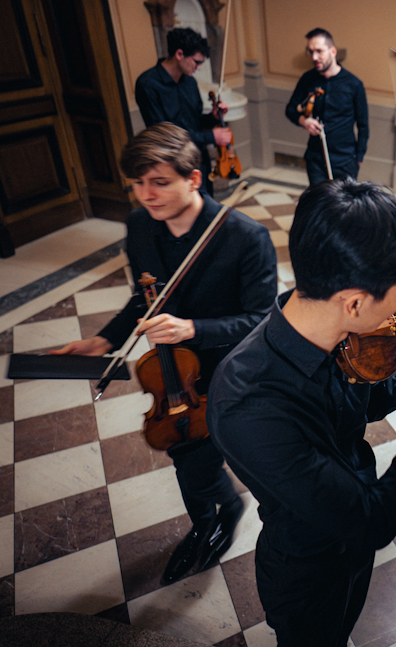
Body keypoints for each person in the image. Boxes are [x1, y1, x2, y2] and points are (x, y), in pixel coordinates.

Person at [207, 178, 396, 646]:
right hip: (308, 570)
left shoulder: (333, 334)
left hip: (353, 554)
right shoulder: (247, 404)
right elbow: (371, 521)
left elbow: (370, 403)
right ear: (354, 302)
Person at [52, 122, 277, 584]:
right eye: (137, 183)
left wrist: (192, 328)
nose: (145, 195)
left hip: (230, 369)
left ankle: (226, 508)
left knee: (202, 456)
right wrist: (104, 340)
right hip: (172, 371)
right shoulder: (140, 225)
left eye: (158, 182)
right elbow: (145, 297)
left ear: (193, 179)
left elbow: (261, 320)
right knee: (183, 450)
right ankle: (205, 523)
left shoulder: (245, 236)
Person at [135, 27, 232, 196]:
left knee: (205, 204)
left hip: (198, 159)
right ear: (179, 54)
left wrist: (213, 117)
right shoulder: (148, 84)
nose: (199, 68)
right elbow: (164, 135)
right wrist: (211, 137)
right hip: (174, 164)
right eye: (197, 62)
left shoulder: (190, 82)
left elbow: (195, 122)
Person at [285, 28, 369, 184]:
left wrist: (358, 158)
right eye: (311, 52)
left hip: (345, 160)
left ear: (333, 51)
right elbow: (290, 109)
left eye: (319, 51)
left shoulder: (354, 84)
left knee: (342, 200)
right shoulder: (308, 79)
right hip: (316, 158)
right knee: (320, 198)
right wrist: (304, 121)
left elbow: (363, 126)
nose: (314, 57)